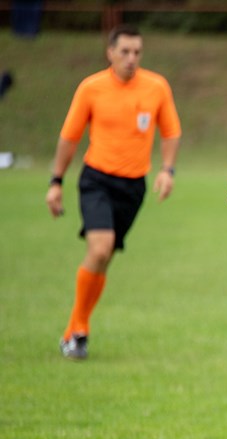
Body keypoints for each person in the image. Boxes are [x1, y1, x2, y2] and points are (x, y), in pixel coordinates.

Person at [46, 24, 181, 360]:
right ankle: (77, 331)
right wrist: (56, 182)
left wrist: (167, 170)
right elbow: (69, 137)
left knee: (104, 259)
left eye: (137, 52)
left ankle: (77, 330)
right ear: (110, 52)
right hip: (97, 180)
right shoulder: (91, 88)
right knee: (101, 248)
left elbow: (172, 131)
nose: (131, 58)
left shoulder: (156, 87)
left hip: (133, 186)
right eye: (125, 52)